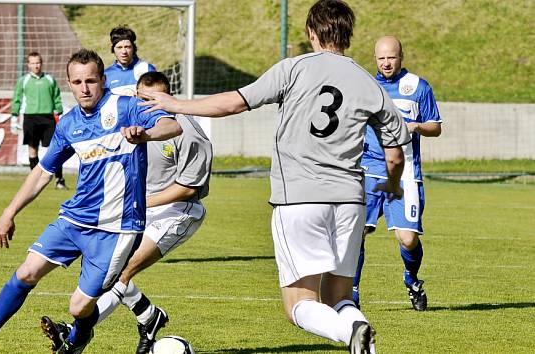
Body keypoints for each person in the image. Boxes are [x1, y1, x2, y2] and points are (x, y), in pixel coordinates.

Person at [139, 1, 410, 352]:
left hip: (299, 199)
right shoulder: (368, 83)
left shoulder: (293, 69)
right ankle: (360, 335)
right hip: (350, 202)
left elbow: (235, 102)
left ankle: (349, 335)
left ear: (311, 33)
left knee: (299, 303)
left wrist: (175, 104)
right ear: (349, 35)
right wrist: (391, 184)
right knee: (340, 297)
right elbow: (395, 155)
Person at [0, 49, 181, 354]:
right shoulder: (69, 123)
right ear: (69, 84)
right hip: (75, 219)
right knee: (25, 272)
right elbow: (42, 173)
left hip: (118, 229)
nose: (84, 88)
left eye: (90, 80)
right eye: (77, 82)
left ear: (103, 79)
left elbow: (172, 125)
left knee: (78, 307)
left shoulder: (126, 106)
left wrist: (146, 134)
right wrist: (9, 212)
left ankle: (79, 337)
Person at [40, 71, 213, 354]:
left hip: (177, 213)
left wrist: (144, 202)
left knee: (122, 272)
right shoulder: (130, 118)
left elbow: (188, 189)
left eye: (152, 100)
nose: (145, 106)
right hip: (137, 210)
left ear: (168, 98)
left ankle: (74, 336)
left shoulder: (190, 134)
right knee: (108, 270)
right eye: (141, 99)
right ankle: (149, 316)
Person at [353, 36, 442, 311]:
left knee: (408, 238)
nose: (386, 62)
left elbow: (436, 126)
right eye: (381, 58)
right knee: (356, 233)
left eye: (390, 57)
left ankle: (412, 280)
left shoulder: (418, 87)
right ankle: (351, 294)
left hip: (405, 172)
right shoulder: (366, 86)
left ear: (401, 57)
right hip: (370, 168)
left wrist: (416, 127)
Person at [10, 51, 68, 190]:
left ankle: (59, 180)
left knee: (55, 150)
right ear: (28, 65)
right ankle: (34, 180)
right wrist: (14, 117)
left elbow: (56, 97)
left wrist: (59, 113)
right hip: (30, 118)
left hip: (48, 118)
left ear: (41, 63)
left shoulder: (49, 79)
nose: (36, 65)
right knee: (32, 150)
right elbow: (17, 99)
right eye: (33, 63)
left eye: (38, 62)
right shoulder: (23, 81)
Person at [105, 25, 156, 97]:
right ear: (113, 49)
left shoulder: (147, 69)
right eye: (119, 47)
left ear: (133, 48)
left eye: (127, 47)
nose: (124, 51)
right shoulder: (106, 75)